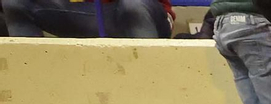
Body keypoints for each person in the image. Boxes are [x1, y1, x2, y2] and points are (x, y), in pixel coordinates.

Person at [4, 0, 171, 36]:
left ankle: (149, 89)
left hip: (143, 13)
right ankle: (34, 86)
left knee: (132, 7)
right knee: (15, 3)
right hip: (88, 11)